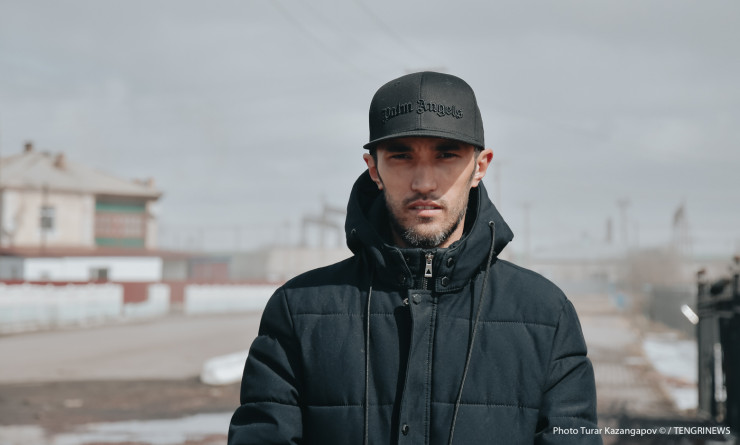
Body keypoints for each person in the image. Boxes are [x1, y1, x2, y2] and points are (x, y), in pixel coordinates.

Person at [229, 72, 601, 444]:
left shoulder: (546, 316)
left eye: (446, 155)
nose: (424, 183)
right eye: (402, 156)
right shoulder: (299, 311)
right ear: (374, 168)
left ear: (480, 166)